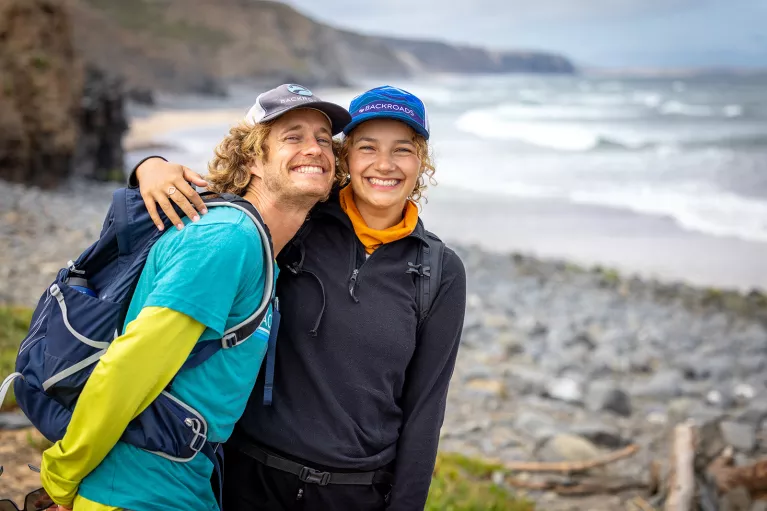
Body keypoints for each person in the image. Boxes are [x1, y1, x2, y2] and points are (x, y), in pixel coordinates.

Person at [133, 85, 467, 510]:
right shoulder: (297, 222)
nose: (385, 164)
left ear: (421, 162)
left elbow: (425, 408)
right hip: (247, 479)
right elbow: (226, 205)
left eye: (402, 150)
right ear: (346, 158)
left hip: (355, 494)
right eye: (367, 147)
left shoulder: (439, 270)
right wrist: (151, 166)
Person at [40, 84, 351, 511]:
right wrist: (60, 476)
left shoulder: (264, 252)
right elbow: (129, 367)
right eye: (292, 137)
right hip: (134, 491)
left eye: (322, 139)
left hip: (179, 487)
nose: (314, 148)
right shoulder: (229, 239)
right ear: (251, 161)